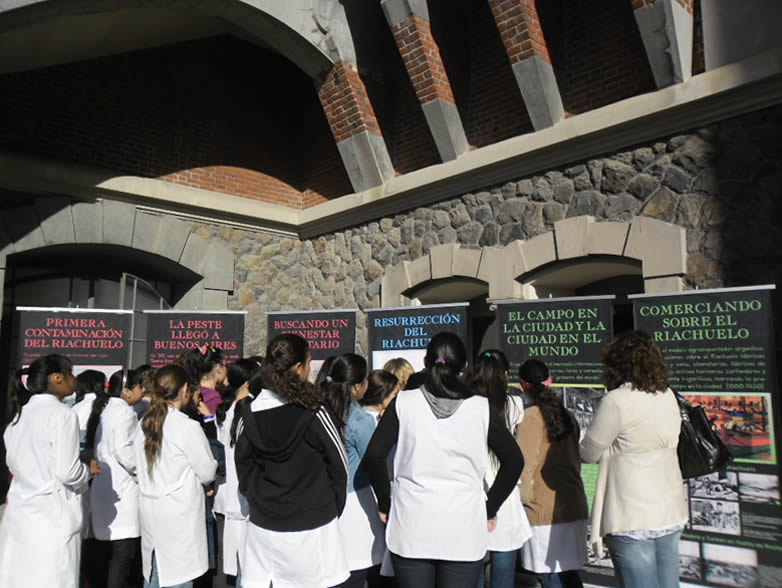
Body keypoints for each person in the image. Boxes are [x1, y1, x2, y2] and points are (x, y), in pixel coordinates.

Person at [364, 332, 524, 588]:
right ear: (465, 366)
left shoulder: (403, 403)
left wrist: (385, 502)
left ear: (425, 362)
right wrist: (490, 506)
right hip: (463, 526)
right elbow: (514, 461)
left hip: (411, 524)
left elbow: (374, 455)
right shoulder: (481, 408)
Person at [235, 334, 350, 588]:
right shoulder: (316, 412)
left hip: (265, 528)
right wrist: (328, 509)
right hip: (314, 528)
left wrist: (263, 503)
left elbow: (243, 470)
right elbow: (339, 467)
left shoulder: (247, 415)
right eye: (309, 363)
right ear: (299, 368)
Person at [580, 331, 687, 588]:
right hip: (669, 508)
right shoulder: (667, 395)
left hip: (630, 514)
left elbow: (589, 453)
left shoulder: (616, 400)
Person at [0, 354, 100, 588]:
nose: (74, 379)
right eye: (70, 374)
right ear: (57, 378)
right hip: (52, 517)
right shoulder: (63, 415)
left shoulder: (19, 415)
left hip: (21, 515)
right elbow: (67, 472)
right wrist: (88, 469)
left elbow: (16, 463)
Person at [134, 364, 218, 588]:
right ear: (185, 389)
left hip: (151, 511)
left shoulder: (145, 423)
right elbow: (207, 471)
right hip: (179, 516)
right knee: (177, 577)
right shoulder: (186, 426)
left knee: (155, 573)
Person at [516, 359, 588, 588]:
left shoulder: (531, 418)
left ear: (522, 385)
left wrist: (526, 502)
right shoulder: (568, 416)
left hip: (543, 511)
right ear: (550, 380)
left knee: (549, 577)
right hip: (572, 504)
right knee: (569, 576)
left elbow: (524, 468)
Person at [322, 355, 387, 588]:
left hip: (326, 500)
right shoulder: (360, 419)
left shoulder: (319, 410)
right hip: (357, 501)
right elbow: (374, 460)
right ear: (357, 386)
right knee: (359, 569)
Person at [470, 350, 531, 588]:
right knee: (504, 565)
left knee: (472, 563)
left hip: (476, 484)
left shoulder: (469, 405)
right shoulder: (514, 404)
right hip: (505, 487)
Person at [84, 368, 146, 588]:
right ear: (127, 391)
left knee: (107, 555)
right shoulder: (125, 412)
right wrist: (140, 470)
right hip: (122, 488)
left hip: (103, 486)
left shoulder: (105, 408)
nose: (143, 390)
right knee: (122, 556)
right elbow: (123, 449)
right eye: (140, 386)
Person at [215, 358, 259, 587]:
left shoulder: (225, 410)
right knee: (247, 565)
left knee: (233, 561)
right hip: (246, 498)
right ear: (249, 383)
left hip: (227, 495)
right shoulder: (249, 411)